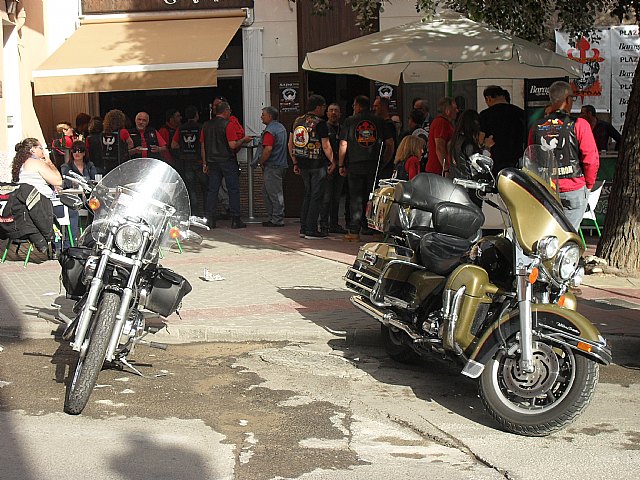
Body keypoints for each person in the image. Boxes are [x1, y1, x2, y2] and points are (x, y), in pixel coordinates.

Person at [529, 81, 599, 231]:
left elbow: (532, 158)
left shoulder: (536, 126)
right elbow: (591, 160)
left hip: (546, 189)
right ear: (568, 99)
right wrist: (588, 186)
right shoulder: (579, 124)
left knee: (548, 234)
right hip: (573, 187)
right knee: (568, 236)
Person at [338, 95, 389, 239]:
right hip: (374, 165)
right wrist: (383, 162)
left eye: (354, 105)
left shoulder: (349, 121)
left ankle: (354, 232)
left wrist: (341, 164)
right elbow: (390, 144)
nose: (353, 108)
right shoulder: (379, 121)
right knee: (374, 198)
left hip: (355, 164)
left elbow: (343, 144)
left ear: (358, 106)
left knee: (355, 198)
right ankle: (376, 232)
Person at [288, 94, 336, 239]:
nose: (324, 110)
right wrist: (333, 161)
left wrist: (295, 161)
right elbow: (325, 145)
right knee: (316, 196)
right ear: (318, 107)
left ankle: (303, 228)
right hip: (317, 163)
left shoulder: (297, 121)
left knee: (308, 194)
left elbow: (290, 143)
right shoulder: (320, 123)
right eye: (323, 107)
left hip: (302, 163)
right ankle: (311, 229)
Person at [201, 101, 252, 229]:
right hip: (227, 161)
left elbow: (203, 146)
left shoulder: (206, 125)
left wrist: (205, 162)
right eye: (229, 110)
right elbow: (232, 145)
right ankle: (235, 219)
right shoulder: (228, 125)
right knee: (233, 190)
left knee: (212, 190)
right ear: (225, 111)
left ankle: (210, 220)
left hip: (212, 161)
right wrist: (243, 140)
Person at [449, 109, 494, 207]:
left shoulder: (455, 141)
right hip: (470, 189)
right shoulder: (468, 144)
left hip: (457, 187)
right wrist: (486, 148)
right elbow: (478, 166)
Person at [479, 85, 526, 175]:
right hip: (516, 160)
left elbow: (480, 139)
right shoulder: (520, 112)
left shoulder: (485, 115)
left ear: (488, 98)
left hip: (494, 162)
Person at [257, 106, 288, 227]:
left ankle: (277, 219)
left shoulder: (270, 131)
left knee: (274, 194)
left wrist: (261, 161)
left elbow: (268, 149)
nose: (261, 117)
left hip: (273, 166)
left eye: (263, 114)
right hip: (281, 164)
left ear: (270, 116)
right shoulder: (281, 128)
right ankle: (273, 217)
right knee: (267, 192)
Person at [172, 105, 206, 215]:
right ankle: (206, 214)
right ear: (196, 115)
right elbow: (204, 145)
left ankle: (194, 214)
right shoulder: (201, 127)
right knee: (206, 188)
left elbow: (173, 145)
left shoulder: (180, 128)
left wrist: (183, 148)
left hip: (186, 162)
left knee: (191, 190)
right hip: (199, 162)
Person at [60, 141, 96, 243]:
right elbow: (68, 182)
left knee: (96, 207)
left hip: (88, 197)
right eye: (74, 150)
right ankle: (73, 241)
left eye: (80, 151)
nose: (77, 153)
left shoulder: (89, 165)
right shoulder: (66, 167)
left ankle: (92, 236)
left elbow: (94, 180)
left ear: (84, 153)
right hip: (74, 198)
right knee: (74, 210)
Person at [319, 103, 347, 234]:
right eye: (331, 110)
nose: (333, 113)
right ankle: (324, 225)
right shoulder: (323, 127)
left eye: (336, 110)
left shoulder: (343, 129)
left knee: (336, 197)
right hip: (327, 166)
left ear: (340, 114)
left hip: (340, 166)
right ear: (327, 113)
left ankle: (334, 224)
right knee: (326, 197)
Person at [86, 109, 132, 175]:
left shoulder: (101, 135)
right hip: (119, 167)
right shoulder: (123, 132)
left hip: (104, 167)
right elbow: (130, 145)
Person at [425, 97, 457, 175]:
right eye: (454, 108)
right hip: (437, 170)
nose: (457, 111)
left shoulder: (446, 123)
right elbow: (439, 147)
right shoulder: (441, 123)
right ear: (447, 111)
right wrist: (446, 169)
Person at [372, 96, 397, 180]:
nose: (373, 109)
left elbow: (390, 146)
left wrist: (382, 164)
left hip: (386, 169)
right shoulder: (380, 124)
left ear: (383, 107)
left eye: (376, 106)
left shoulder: (388, 125)